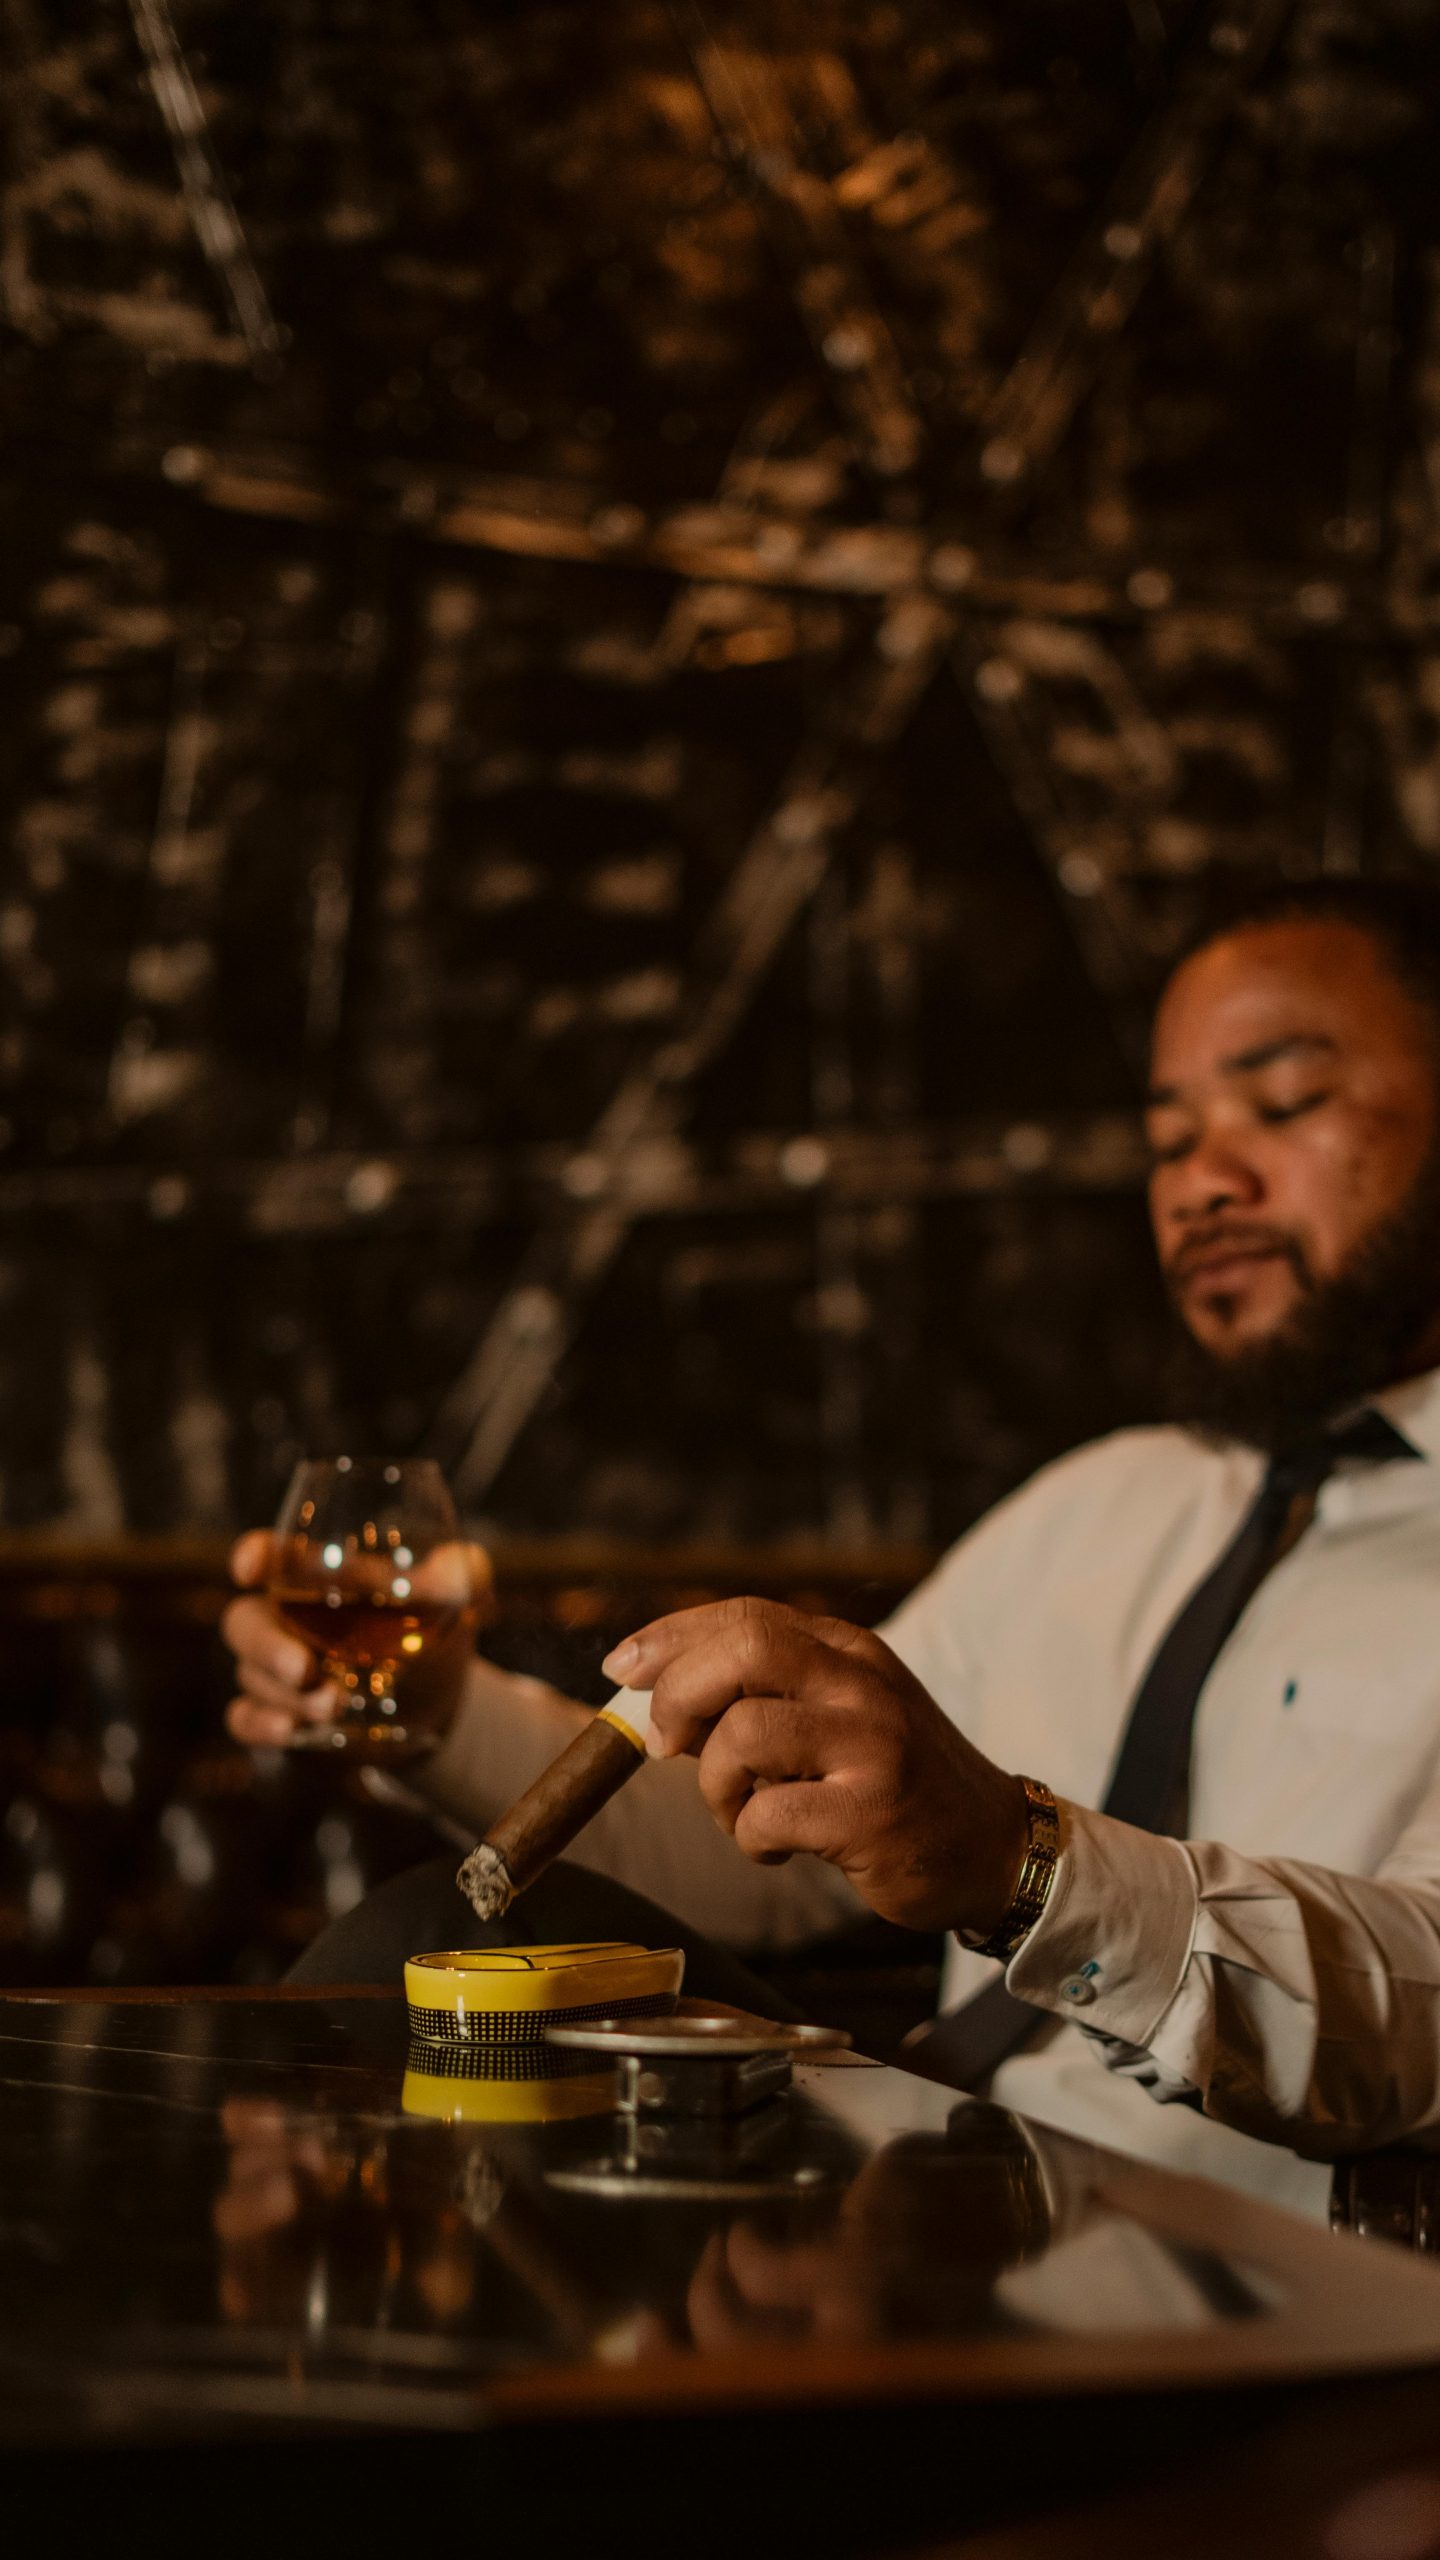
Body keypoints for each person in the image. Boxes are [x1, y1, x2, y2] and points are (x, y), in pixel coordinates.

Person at [225, 876, 1440, 2220]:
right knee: (442, 1936)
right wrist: (434, 1704)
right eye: (1168, 1138)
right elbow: (757, 1857)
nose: (1205, 1181)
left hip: (1223, 2270)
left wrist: (1022, 1863)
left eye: (1284, 1105)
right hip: (922, 2198)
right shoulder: (1113, 1499)